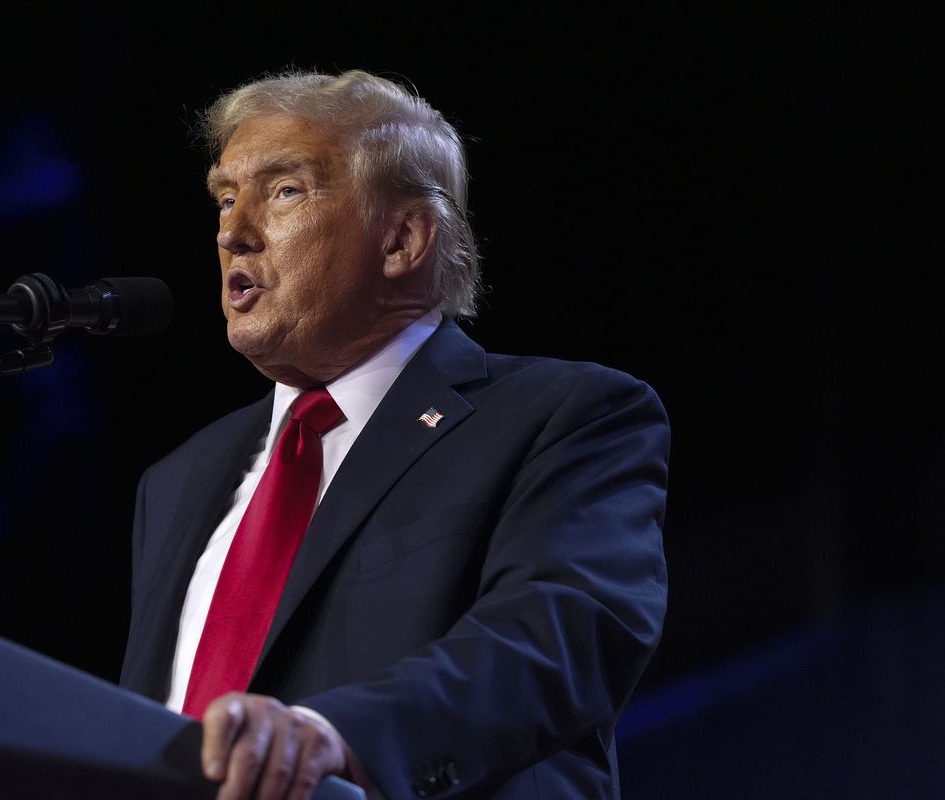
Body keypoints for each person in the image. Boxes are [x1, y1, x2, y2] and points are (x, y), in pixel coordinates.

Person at [119, 69, 669, 800]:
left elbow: (554, 639)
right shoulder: (179, 479)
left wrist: (339, 737)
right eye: (225, 196)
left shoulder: (563, 417)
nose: (231, 232)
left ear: (403, 239)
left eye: (283, 191)